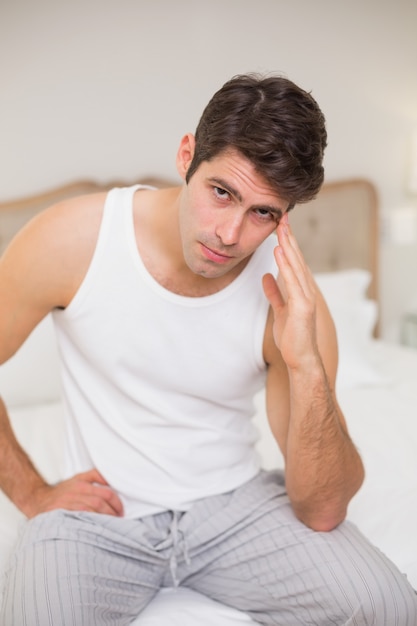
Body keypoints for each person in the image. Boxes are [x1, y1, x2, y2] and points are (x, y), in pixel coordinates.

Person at [0, 73, 416, 626]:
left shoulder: (292, 301)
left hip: (236, 508)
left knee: (385, 604)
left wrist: (306, 363)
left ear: (285, 217)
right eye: (222, 192)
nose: (228, 234)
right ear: (186, 155)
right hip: (100, 517)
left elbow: (323, 509)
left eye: (262, 212)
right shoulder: (74, 239)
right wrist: (31, 492)